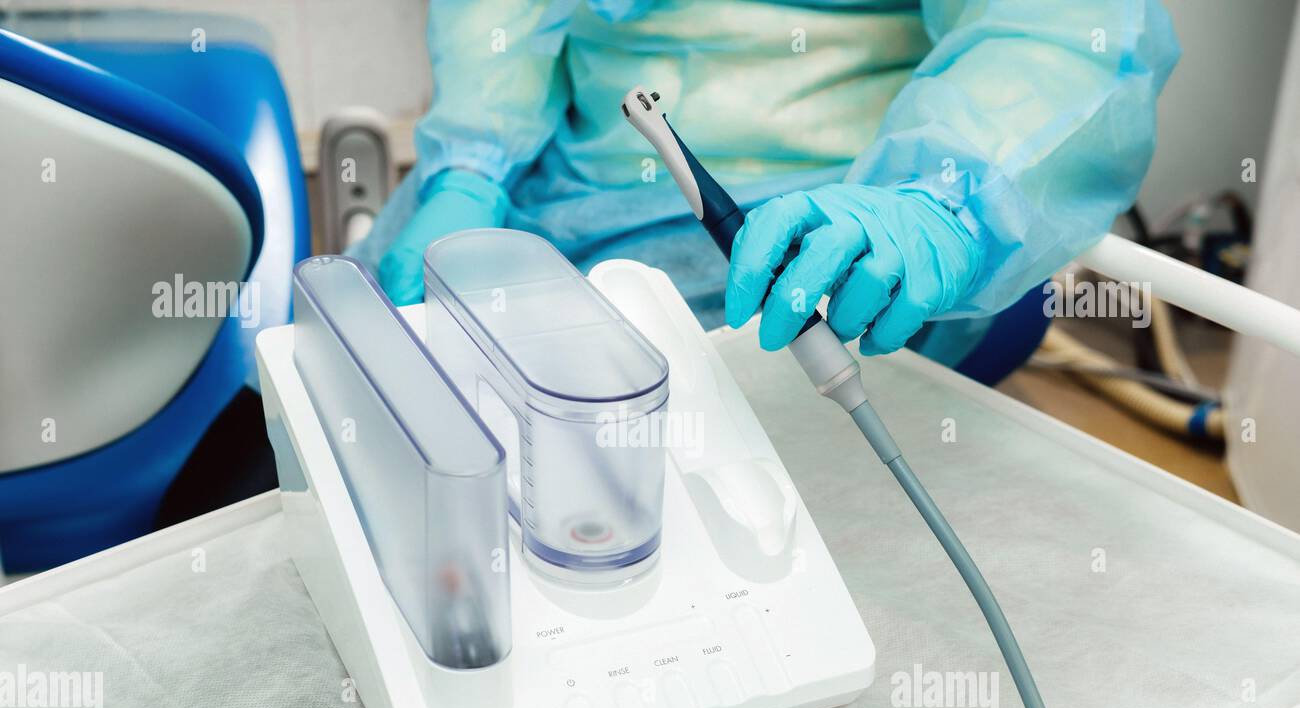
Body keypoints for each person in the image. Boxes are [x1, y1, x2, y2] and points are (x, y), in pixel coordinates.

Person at [351, 0, 1179, 369]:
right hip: (539, 174)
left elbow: (1067, 31)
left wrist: (944, 202)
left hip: (824, 216)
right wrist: (470, 164)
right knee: (360, 362)